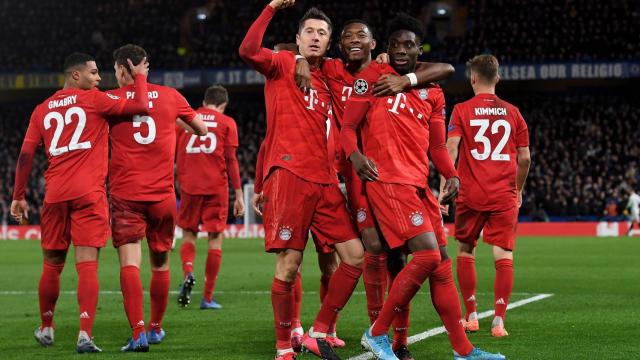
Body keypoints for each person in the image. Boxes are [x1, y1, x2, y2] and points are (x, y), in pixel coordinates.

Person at [341, 14, 506, 360]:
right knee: (428, 255)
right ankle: (377, 332)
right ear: (385, 49)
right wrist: (355, 156)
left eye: (409, 45)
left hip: (419, 186)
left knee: (442, 265)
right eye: (396, 45)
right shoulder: (369, 79)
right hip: (386, 181)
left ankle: (463, 350)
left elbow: (435, 147)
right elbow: (347, 128)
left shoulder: (432, 91)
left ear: (419, 51)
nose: (401, 50)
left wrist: (453, 173)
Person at [240, 1, 366, 359]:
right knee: (289, 264)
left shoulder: (331, 74)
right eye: (309, 31)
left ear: (329, 44)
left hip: (326, 181)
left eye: (321, 33)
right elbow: (248, 50)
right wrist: (269, 9)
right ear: (297, 38)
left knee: (354, 257)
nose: (315, 37)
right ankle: (284, 347)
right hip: (290, 174)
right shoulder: (281, 64)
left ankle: (320, 329)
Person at [10, 52, 150, 353]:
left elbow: (25, 155)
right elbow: (140, 105)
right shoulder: (94, 100)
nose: (99, 79)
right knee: (87, 265)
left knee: (52, 265)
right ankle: (84, 334)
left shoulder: (41, 109)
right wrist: (139, 75)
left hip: (55, 195)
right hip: (89, 195)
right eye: (95, 73)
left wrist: (18, 195)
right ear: (76, 76)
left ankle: (46, 326)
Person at [106, 44, 207, 352]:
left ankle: (137, 333)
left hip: (126, 196)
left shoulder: (110, 99)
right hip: (163, 197)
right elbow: (201, 129)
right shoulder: (172, 97)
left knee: (130, 265)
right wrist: (169, 122)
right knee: (160, 265)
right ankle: (156, 329)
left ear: (123, 70)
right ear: (145, 67)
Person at [445, 54, 531, 338]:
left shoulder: (461, 110)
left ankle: (470, 315)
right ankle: (498, 320)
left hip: (471, 192)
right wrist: (517, 189)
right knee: (503, 255)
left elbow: (451, 148)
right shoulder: (514, 112)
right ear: (498, 78)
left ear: (472, 78)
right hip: (503, 193)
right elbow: (525, 158)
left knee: (466, 249)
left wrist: (447, 185)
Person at [176, 84, 245, 309]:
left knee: (188, 235)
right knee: (215, 239)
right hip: (216, 187)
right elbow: (231, 160)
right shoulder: (227, 123)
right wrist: (239, 194)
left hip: (189, 187)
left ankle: (188, 272)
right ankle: (207, 297)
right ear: (223, 105)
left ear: (204, 101)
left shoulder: (186, 119)